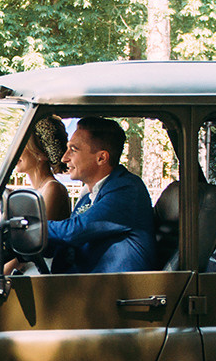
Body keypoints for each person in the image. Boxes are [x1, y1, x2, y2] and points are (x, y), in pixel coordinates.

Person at [36, 115, 156, 273]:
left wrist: (30, 228)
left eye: (73, 150)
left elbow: (73, 231)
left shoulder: (127, 189)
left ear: (101, 158)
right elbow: (65, 245)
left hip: (113, 287)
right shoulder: (89, 196)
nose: (64, 158)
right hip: (81, 282)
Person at [13, 111, 74, 224]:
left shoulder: (53, 188)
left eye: (22, 146)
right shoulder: (38, 188)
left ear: (41, 154)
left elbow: (37, 230)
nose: (15, 152)